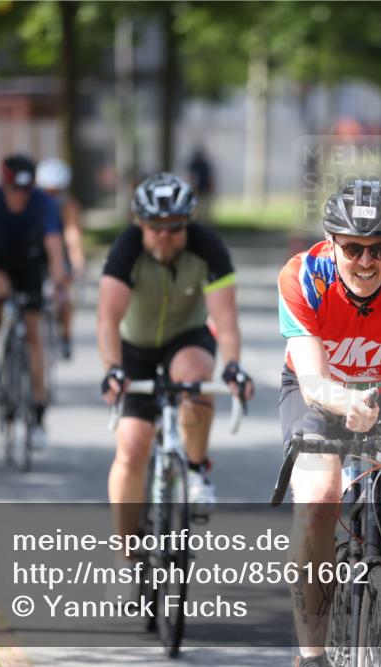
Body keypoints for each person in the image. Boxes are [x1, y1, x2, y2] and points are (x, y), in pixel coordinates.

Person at [277, 180, 381, 667]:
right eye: (353, 248)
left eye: (379, 249)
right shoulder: (302, 276)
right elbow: (311, 378)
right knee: (317, 497)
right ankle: (311, 653)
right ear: (332, 244)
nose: (366, 261)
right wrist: (344, 400)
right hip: (321, 394)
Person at [98, 173, 254, 549]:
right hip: (134, 346)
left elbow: (227, 322)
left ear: (188, 223)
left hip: (186, 337)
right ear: (140, 224)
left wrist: (232, 365)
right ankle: (126, 550)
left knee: (195, 377)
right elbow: (108, 319)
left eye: (174, 227)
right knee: (133, 446)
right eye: (155, 228)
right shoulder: (126, 249)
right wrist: (112, 370)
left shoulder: (208, 248)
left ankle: (197, 470)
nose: (164, 236)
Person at [0, 154, 68, 450]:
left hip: (30, 264)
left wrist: (57, 283)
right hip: (1, 263)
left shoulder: (44, 203)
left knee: (33, 333)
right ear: (4, 185)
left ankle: (39, 416)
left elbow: (54, 247)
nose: (20, 197)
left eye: (26, 191)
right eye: (15, 189)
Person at [36, 158, 84, 360]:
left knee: (64, 296)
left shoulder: (68, 205)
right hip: (35, 253)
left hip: (58, 254)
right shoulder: (31, 203)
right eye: (48, 190)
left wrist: (77, 261)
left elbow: (72, 234)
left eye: (56, 191)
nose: (52, 195)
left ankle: (65, 335)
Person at [186, 147, 215, 224]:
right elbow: (190, 177)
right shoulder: (193, 164)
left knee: (205, 210)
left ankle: (205, 224)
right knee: (196, 211)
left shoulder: (205, 165)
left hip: (204, 190)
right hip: (196, 191)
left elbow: (209, 177)